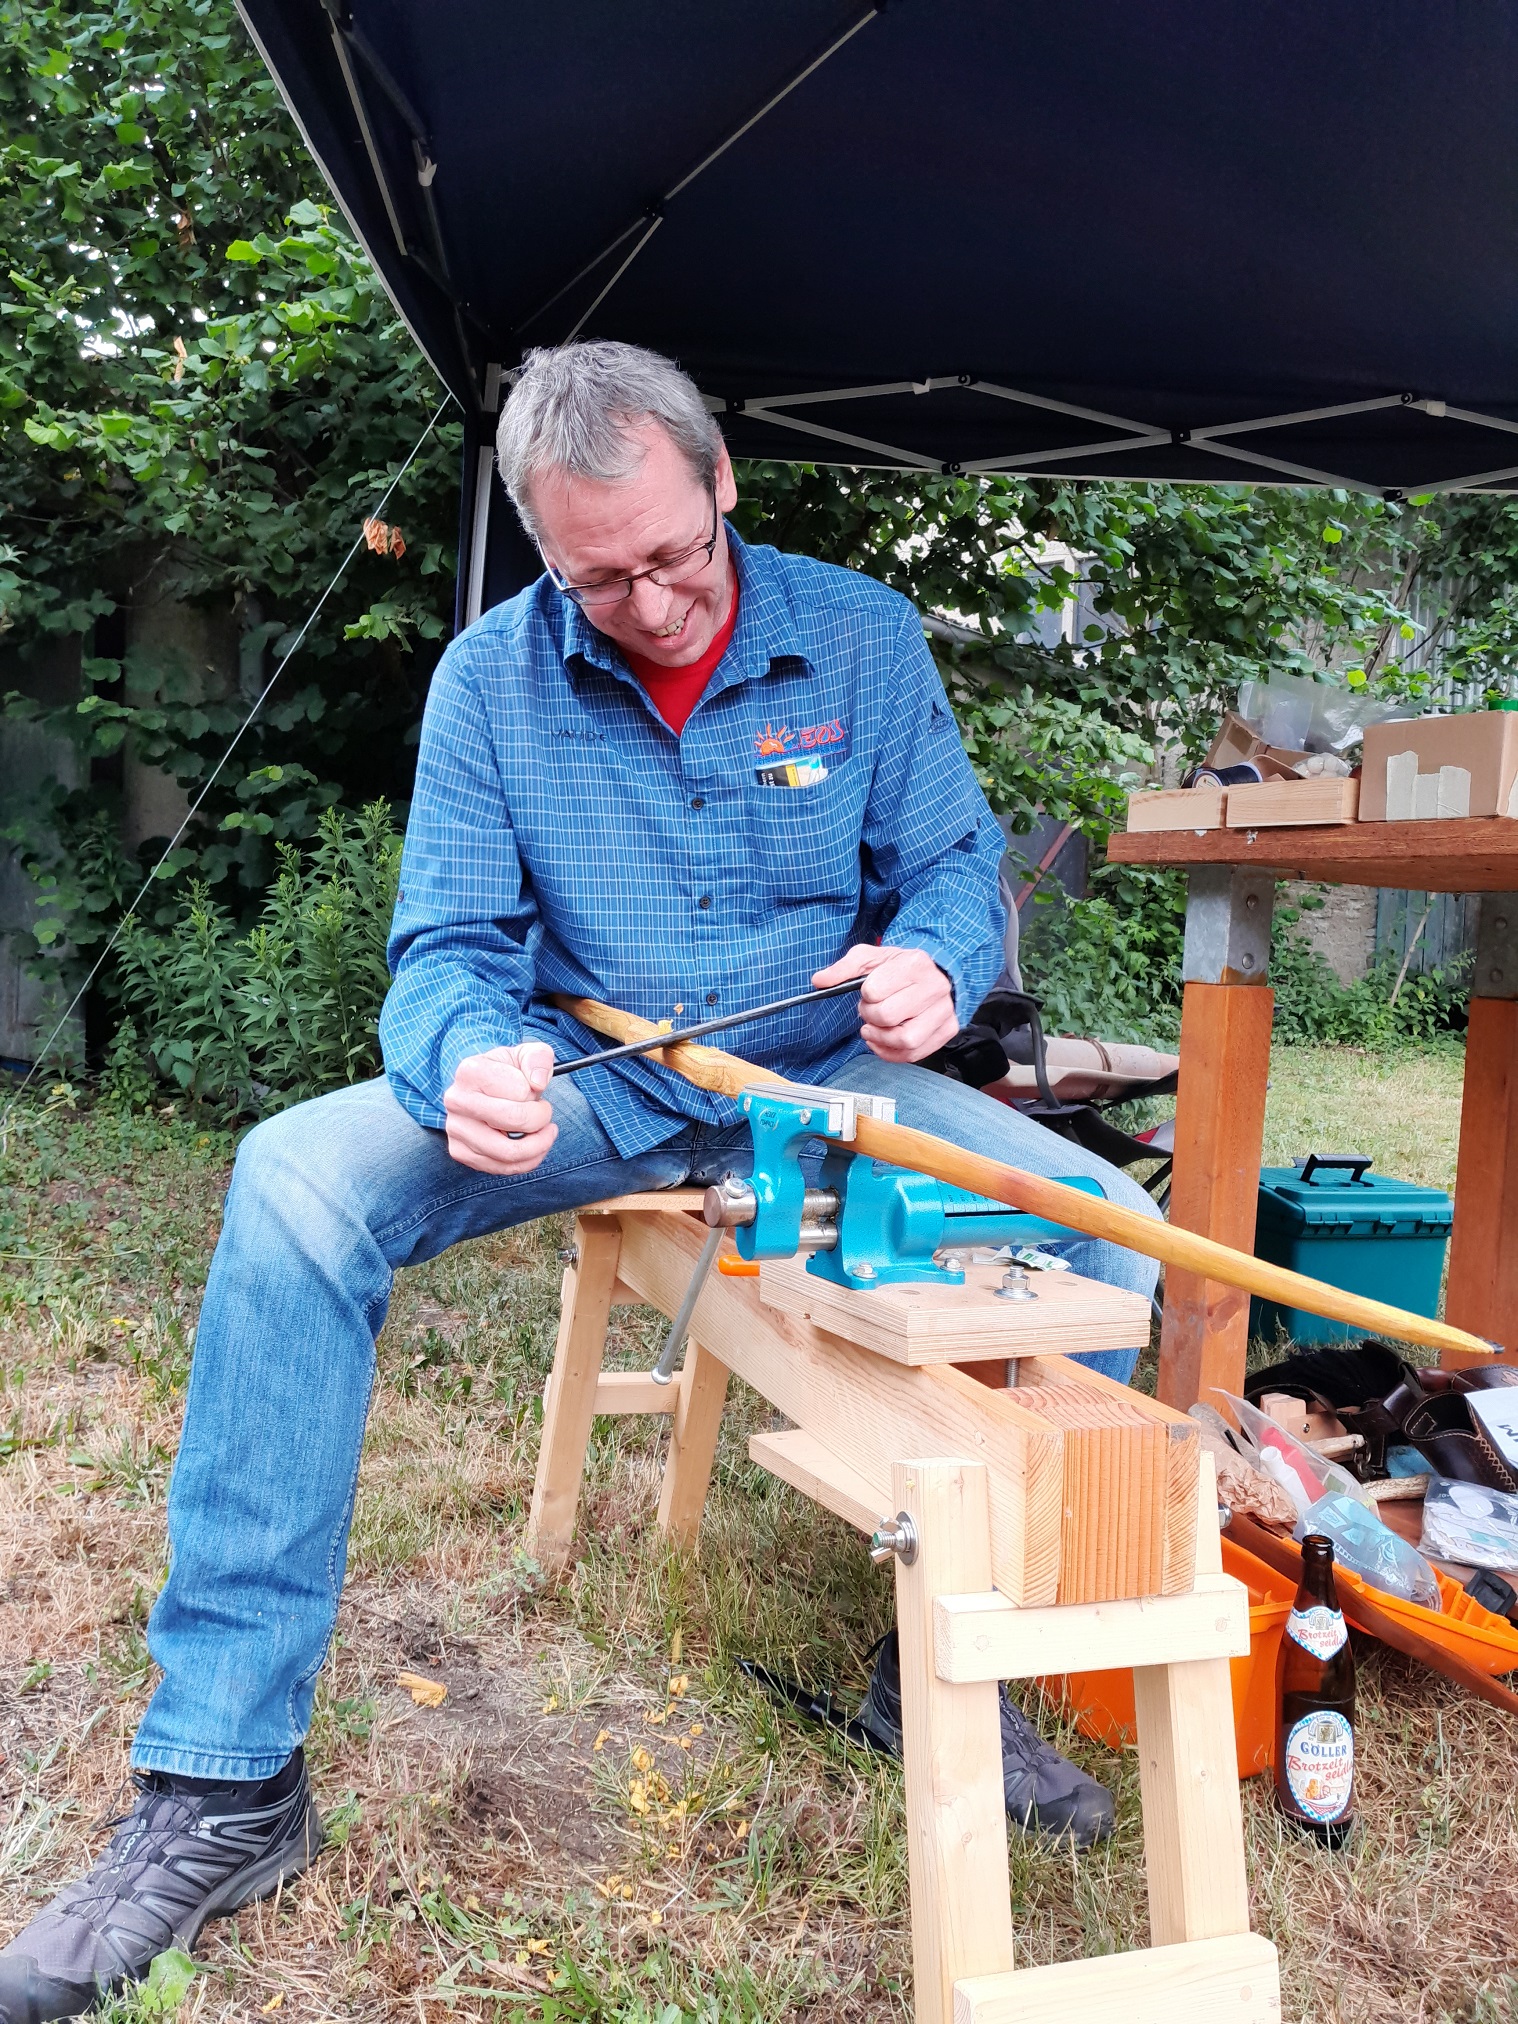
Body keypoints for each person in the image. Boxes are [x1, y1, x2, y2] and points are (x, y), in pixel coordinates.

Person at [0, 341, 1161, 2023]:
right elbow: (448, 948)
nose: (650, 605)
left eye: (672, 557)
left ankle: (942, 1685)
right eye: (597, 580)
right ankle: (225, 1783)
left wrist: (934, 961)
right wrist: (467, 1057)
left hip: (816, 1078)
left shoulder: (858, 638)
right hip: (587, 1083)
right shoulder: (492, 678)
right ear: (545, 548)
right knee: (294, 1182)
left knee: (1108, 1231)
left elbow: (949, 870)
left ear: (722, 484)